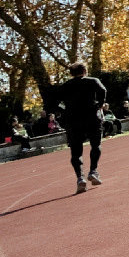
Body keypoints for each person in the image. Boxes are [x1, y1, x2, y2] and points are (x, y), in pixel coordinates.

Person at [53, 61, 109, 194]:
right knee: (96, 145)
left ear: (72, 73)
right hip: (91, 117)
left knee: (76, 151)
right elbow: (103, 90)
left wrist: (64, 111)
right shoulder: (92, 81)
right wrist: (99, 105)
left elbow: (52, 101)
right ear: (85, 71)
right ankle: (93, 171)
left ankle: (80, 178)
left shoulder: (65, 86)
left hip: (73, 120)